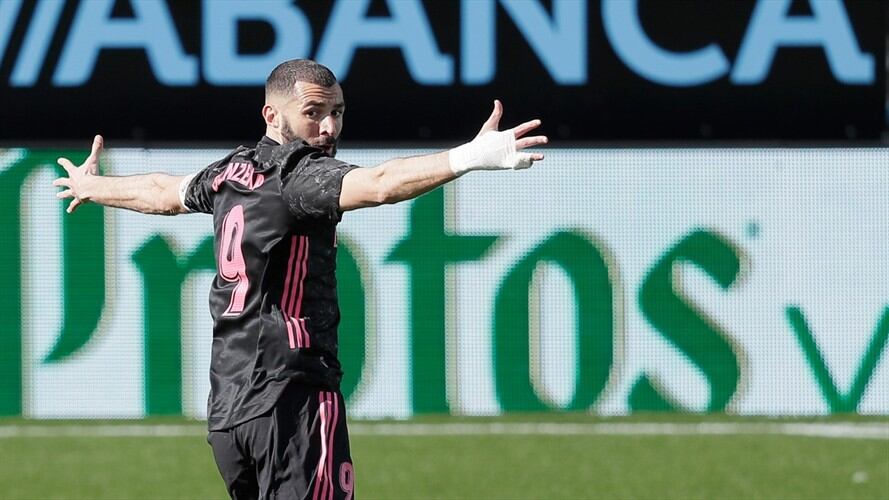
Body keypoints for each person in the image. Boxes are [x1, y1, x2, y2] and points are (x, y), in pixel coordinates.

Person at [53, 59, 547, 500]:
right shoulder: (299, 175)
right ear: (272, 115)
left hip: (230, 411)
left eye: (337, 111)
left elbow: (162, 192)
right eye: (313, 112)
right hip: (290, 397)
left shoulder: (230, 172)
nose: (329, 126)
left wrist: (92, 186)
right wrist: (470, 156)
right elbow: (379, 185)